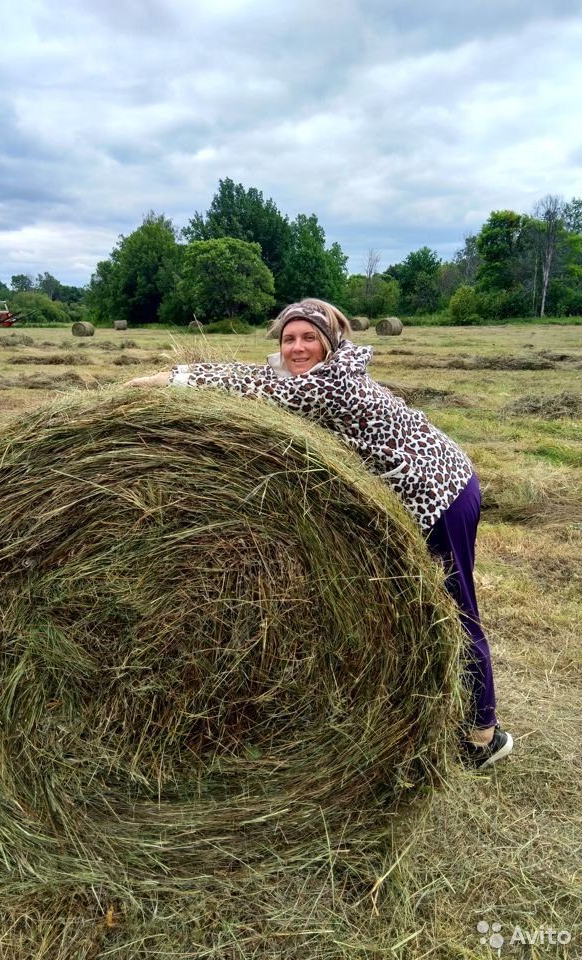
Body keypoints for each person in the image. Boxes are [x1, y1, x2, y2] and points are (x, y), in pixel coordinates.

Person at [127, 298, 513, 770]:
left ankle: (483, 735)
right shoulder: (312, 378)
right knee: (424, 605)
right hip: (421, 486)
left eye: (309, 336)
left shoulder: (331, 385)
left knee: (455, 608)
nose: (297, 346)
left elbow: (251, 387)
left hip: (442, 492)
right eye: (289, 337)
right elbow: (259, 378)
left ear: (329, 342)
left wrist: (172, 380)